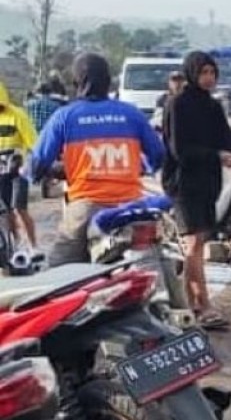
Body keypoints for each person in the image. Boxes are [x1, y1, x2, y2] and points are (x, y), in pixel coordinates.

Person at [28, 53, 166, 266]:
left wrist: (51, 170)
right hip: (131, 206)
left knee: (58, 272)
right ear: (109, 81)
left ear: (76, 83)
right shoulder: (132, 114)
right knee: (151, 264)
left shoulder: (65, 116)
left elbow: (36, 166)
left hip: (86, 208)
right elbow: (158, 157)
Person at [162, 50, 231, 331]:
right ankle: (204, 306)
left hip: (208, 182)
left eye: (212, 73)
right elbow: (179, 150)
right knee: (193, 244)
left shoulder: (213, 106)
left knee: (200, 242)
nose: (209, 78)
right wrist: (219, 156)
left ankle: (187, 304)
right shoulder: (177, 105)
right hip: (183, 183)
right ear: (192, 74)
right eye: (203, 73)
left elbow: (226, 136)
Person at [0, 81, 39, 250]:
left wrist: (28, 163)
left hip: (18, 170)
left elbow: (33, 143)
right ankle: (13, 246)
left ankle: (34, 245)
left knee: (19, 208)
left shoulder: (17, 115)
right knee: (6, 211)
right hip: (1, 172)